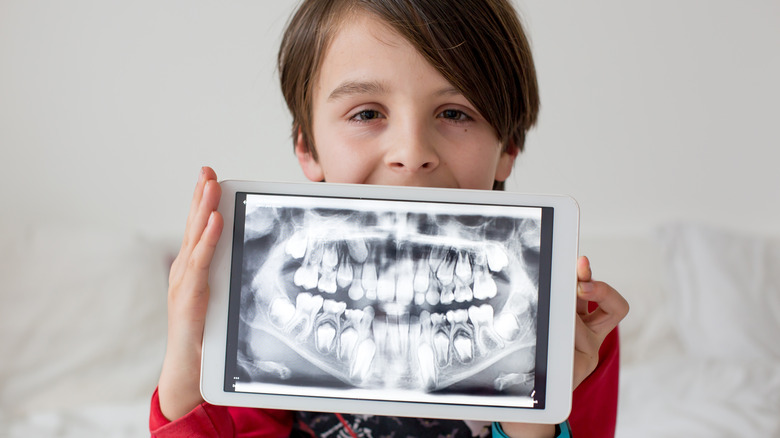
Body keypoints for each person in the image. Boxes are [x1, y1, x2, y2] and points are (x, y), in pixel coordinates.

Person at [151, 0, 629, 436]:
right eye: (366, 113)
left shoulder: (576, 333)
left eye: (454, 112)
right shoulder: (259, 310)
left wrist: (533, 412)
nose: (411, 153)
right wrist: (183, 373)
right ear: (306, 147)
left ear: (508, 148)